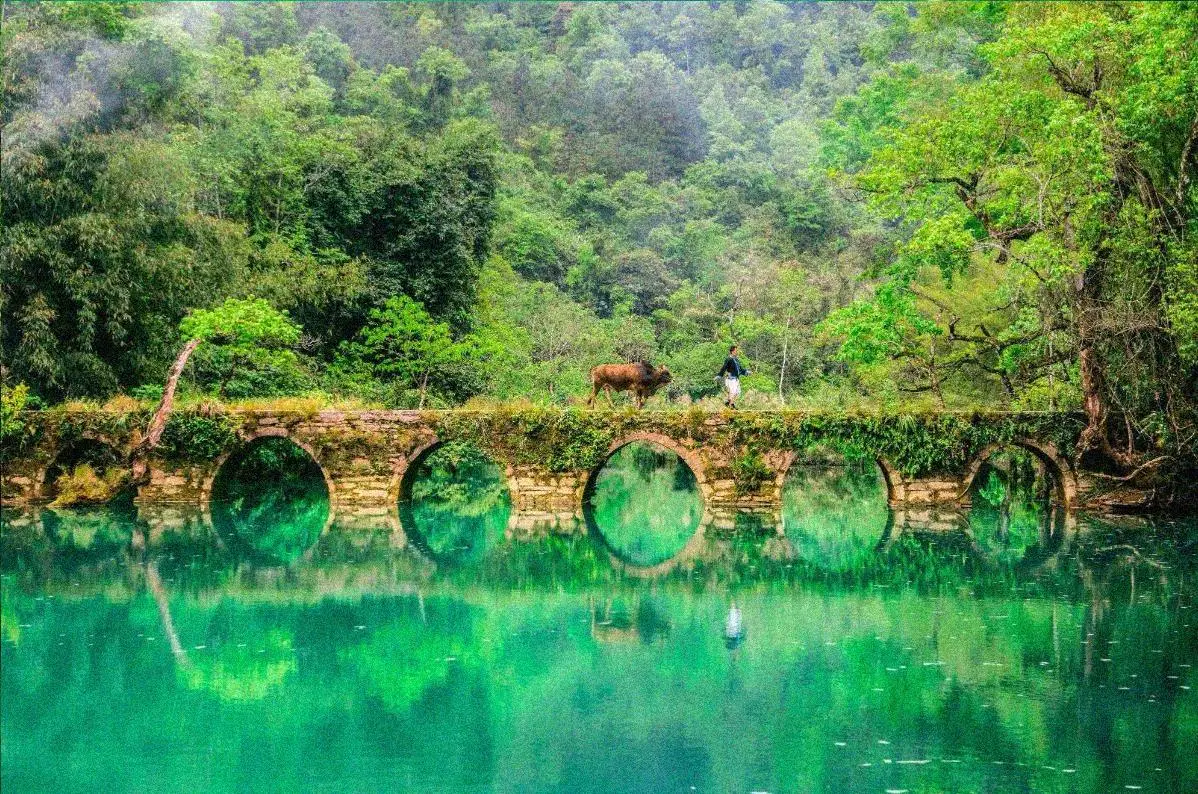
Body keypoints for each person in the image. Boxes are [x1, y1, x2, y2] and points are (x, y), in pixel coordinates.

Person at [717, 344, 750, 409]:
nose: (737, 352)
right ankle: (731, 404)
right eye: (736, 351)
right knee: (733, 391)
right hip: (731, 379)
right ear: (732, 351)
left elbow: (740, 369)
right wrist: (719, 375)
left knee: (738, 392)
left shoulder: (736, 360)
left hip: (736, 379)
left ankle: (728, 403)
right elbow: (724, 367)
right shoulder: (729, 359)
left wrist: (746, 372)